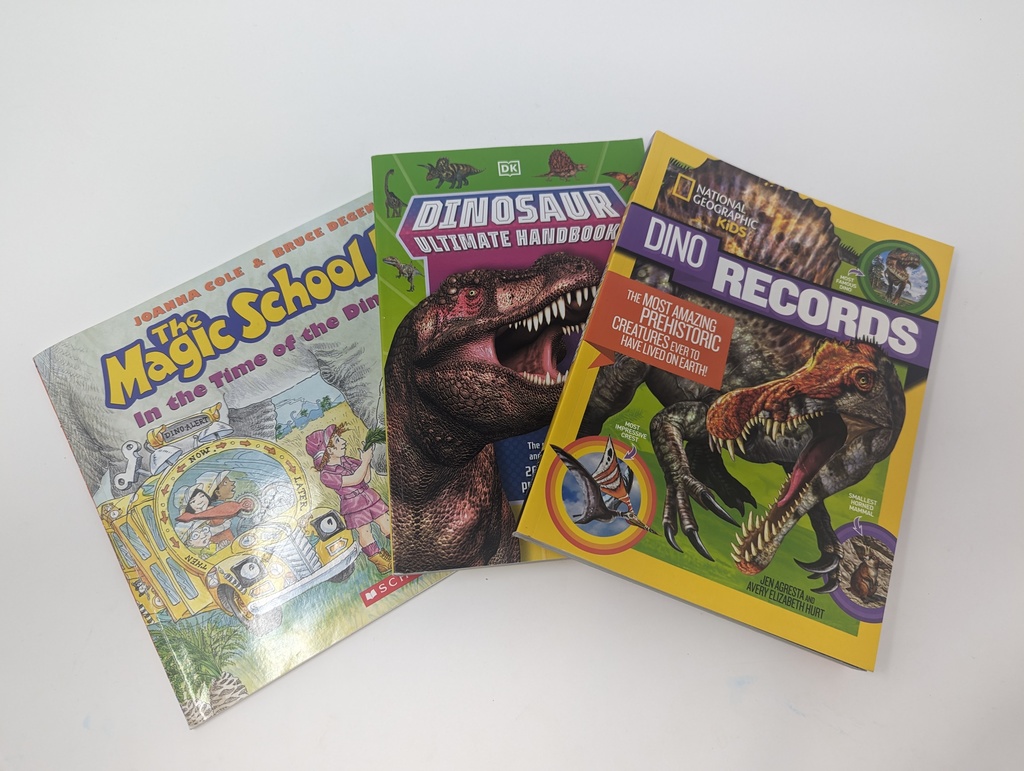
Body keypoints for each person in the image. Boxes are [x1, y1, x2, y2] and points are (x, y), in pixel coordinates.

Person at [306, 423, 392, 574]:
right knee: (365, 532)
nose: (343, 441)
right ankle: (381, 562)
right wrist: (365, 461)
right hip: (353, 505)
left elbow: (366, 478)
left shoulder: (348, 461)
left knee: (386, 521)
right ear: (328, 450)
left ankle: (403, 546)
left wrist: (366, 461)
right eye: (337, 440)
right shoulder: (326, 475)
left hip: (369, 496)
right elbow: (354, 480)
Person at [175, 471, 253, 547]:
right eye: (193, 501)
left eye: (202, 496)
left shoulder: (213, 509)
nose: (200, 501)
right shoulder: (196, 523)